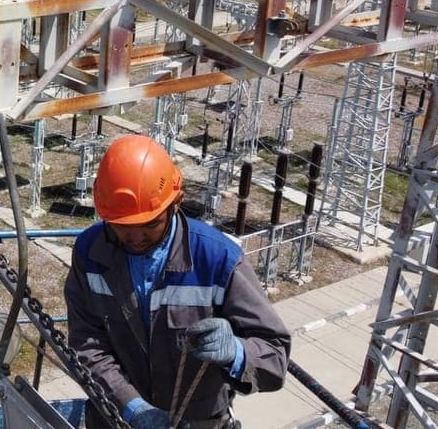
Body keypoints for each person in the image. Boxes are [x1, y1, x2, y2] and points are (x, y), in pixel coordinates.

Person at [64, 135, 290, 429]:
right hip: (116, 418)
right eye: (123, 226)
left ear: (176, 204)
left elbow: (275, 357)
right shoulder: (91, 253)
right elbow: (87, 344)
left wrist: (236, 352)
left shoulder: (217, 259)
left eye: (150, 224)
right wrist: (133, 407)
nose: (135, 237)